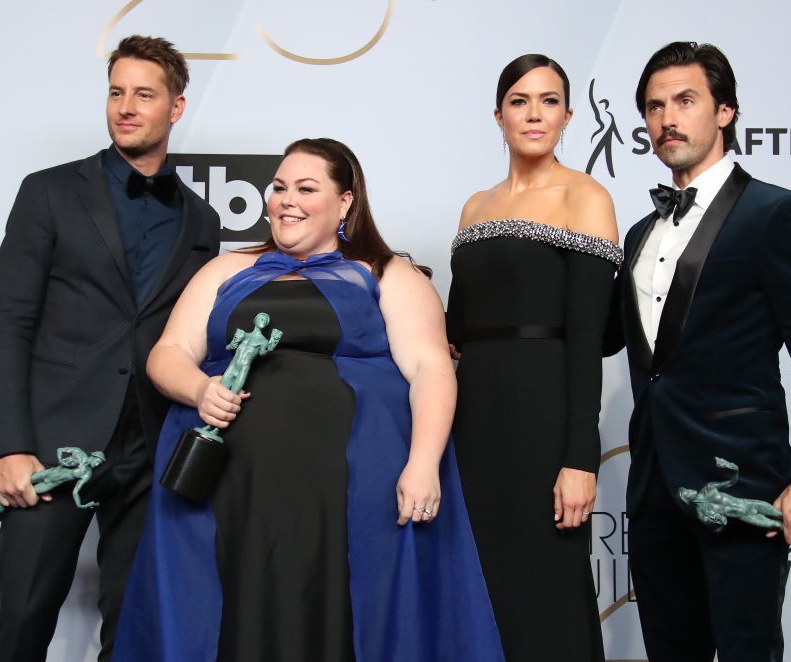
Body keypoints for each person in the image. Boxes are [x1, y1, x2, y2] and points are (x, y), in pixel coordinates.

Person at [113, 138, 504, 662]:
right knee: (230, 618)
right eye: (279, 187)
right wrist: (200, 389)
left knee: (338, 620)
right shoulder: (228, 269)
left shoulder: (385, 273)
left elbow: (431, 368)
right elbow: (169, 353)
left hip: (346, 497)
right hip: (229, 492)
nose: (286, 200)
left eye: (306, 188)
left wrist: (424, 462)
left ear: (345, 203)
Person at [604, 41, 791, 662]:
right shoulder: (640, 232)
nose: (668, 118)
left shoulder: (777, 215)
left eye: (686, 100)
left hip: (742, 485)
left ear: (725, 112)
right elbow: (608, 337)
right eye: (655, 106)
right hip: (656, 486)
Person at [0, 35, 220, 661]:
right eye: (116, 92)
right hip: (53, 448)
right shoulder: (49, 192)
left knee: (135, 625)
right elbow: (9, 322)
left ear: (177, 106)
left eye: (145, 94)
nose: (126, 107)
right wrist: (10, 446)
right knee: (25, 616)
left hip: (150, 451)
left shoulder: (200, 220)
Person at [446, 54, 621, 661]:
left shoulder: (586, 197)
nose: (534, 113)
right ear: (498, 116)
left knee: (547, 587)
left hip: (544, 419)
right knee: (480, 587)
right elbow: (455, 330)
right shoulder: (475, 206)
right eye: (520, 101)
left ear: (569, 115)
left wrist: (580, 458)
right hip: (474, 422)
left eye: (549, 101)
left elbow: (588, 340)